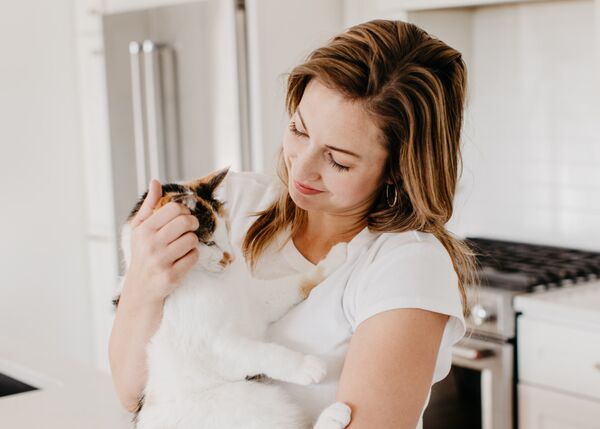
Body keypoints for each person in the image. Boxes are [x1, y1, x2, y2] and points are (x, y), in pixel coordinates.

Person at [109, 19, 479, 429]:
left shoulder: (406, 268)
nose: (301, 167)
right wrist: (144, 283)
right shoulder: (233, 203)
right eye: (298, 130)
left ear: (397, 169)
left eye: (337, 159)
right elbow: (134, 392)